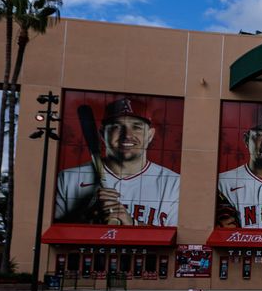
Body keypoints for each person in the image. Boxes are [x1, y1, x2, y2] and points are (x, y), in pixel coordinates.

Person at [55, 97, 180, 226]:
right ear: (103, 134)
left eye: (136, 127)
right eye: (117, 126)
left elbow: (179, 241)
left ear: (150, 135)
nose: (127, 135)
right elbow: (52, 236)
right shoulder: (68, 179)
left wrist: (133, 225)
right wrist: (86, 216)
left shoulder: (174, 184)